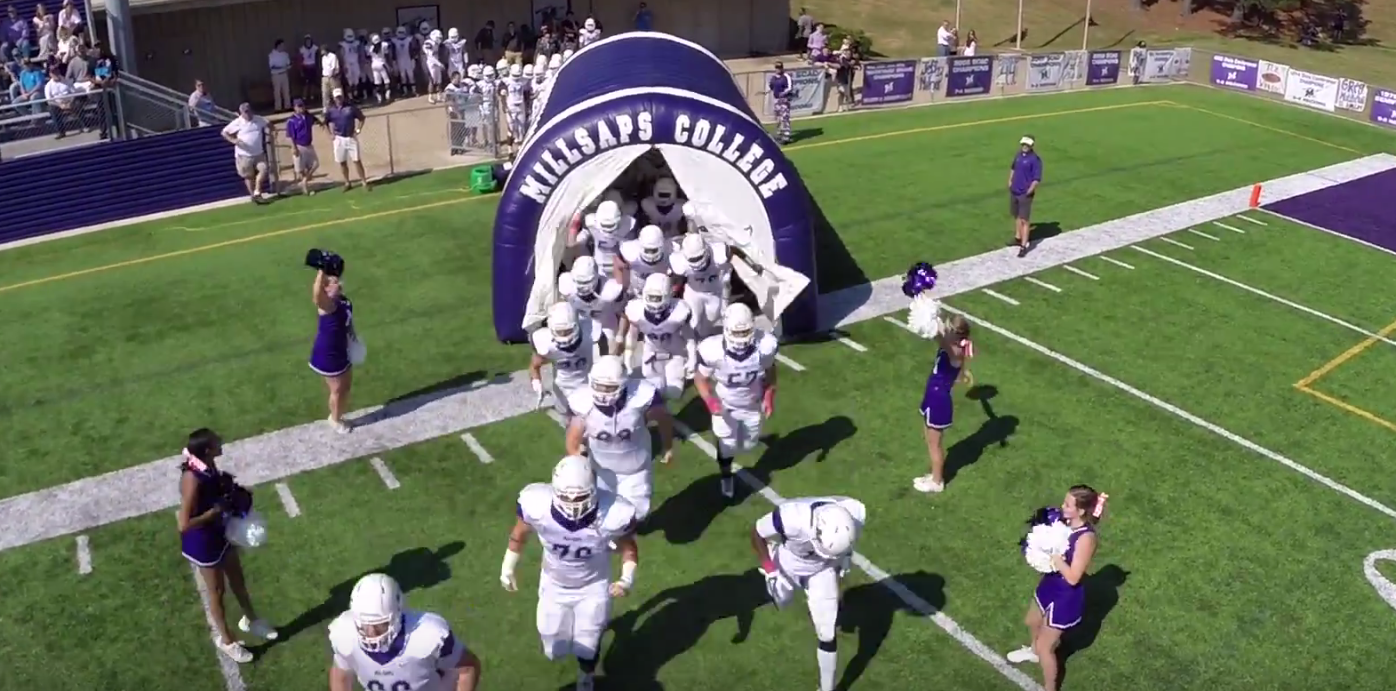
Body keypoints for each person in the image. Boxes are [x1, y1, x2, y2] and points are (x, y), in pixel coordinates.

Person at [500, 456, 640, 691]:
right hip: (554, 583)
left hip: (593, 586)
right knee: (553, 648)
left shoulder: (614, 513)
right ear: (554, 491)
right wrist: (508, 566)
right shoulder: (537, 504)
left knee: (587, 642)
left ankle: (586, 675)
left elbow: (629, 547)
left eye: (580, 497)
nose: (574, 504)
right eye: (566, 496)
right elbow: (519, 534)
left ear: (594, 490)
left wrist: (626, 579)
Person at [176, 428, 278, 664]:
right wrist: (215, 511)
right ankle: (227, 641)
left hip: (221, 533)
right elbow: (184, 524)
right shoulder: (192, 478)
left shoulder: (208, 466)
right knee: (217, 592)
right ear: (207, 449)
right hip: (203, 543)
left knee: (238, 580)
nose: (221, 442)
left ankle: (251, 620)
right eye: (216, 441)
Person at [752, 497, 865, 691]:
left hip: (822, 569)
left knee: (827, 632)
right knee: (781, 600)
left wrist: (842, 565)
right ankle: (773, 555)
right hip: (789, 562)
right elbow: (756, 533)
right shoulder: (792, 518)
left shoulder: (853, 514)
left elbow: (844, 545)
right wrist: (770, 569)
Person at [1005, 486, 1107, 691]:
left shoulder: (1086, 538)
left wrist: (1054, 559)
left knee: (1046, 648)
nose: (1063, 506)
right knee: (1032, 620)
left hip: (1066, 595)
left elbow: (1074, 577)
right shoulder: (1065, 522)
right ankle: (1033, 652)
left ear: (1080, 511)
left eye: (1068, 504)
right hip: (1050, 583)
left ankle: (1050, 687)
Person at [327, 573, 482, 691]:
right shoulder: (344, 633)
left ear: (398, 612)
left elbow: (468, 669)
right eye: (364, 625)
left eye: (380, 625)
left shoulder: (428, 635)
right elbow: (341, 674)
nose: (371, 633)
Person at [566, 355, 674, 521]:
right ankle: (617, 542)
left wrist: (667, 446)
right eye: (599, 386)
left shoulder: (642, 395)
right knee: (606, 514)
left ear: (623, 384)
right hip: (602, 470)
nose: (602, 393)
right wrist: (578, 456)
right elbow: (573, 437)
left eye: (608, 388)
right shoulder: (582, 402)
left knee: (635, 515)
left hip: (635, 468)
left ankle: (623, 539)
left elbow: (663, 419)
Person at [694, 303, 779, 499]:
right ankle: (726, 476)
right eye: (737, 333)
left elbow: (771, 370)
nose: (741, 339)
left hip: (752, 404)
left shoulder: (764, 346)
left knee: (748, 446)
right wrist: (709, 400)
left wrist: (769, 394)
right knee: (727, 445)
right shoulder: (713, 350)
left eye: (745, 333)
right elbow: (700, 378)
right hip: (726, 405)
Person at [914, 313, 973, 493]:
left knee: (934, 444)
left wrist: (930, 323)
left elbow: (938, 335)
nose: (945, 329)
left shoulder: (953, 350)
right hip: (933, 395)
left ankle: (937, 482)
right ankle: (934, 475)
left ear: (955, 334)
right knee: (929, 439)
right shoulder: (954, 346)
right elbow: (939, 326)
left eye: (948, 328)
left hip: (938, 399)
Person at [624, 273, 695, 402]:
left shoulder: (679, 311)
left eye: (657, 298)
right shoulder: (637, 311)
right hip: (652, 353)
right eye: (651, 297)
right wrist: (628, 355)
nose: (654, 302)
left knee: (674, 392)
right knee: (655, 391)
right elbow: (632, 334)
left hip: (675, 353)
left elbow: (689, 336)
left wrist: (692, 357)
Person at [309, 260, 358, 433]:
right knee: (337, 390)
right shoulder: (327, 306)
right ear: (327, 289)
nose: (339, 283)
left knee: (345, 387)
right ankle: (335, 420)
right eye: (334, 283)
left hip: (342, 350)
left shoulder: (343, 301)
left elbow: (347, 322)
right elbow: (316, 295)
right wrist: (321, 270)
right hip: (328, 354)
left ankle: (336, 414)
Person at [529, 302, 595, 423]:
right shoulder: (546, 343)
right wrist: (537, 385)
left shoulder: (590, 334)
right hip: (562, 389)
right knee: (568, 422)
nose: (565, 337)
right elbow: (534, 366)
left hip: (587, 386)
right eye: (560, 332)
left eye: (568, 331)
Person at [558, 255, 628, 358]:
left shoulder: (610, 290)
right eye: (580, 282)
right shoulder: (567, 285)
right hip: (580, 324)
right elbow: (562, 310)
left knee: (612, 359)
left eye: (586, 282)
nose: (583, 287)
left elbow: (624, 314)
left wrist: (620, 337)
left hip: (606, 323)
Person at [670, 233, 731, 339]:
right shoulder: (679, 262)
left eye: (698, 257)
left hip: (714, 293)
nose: (696, 262)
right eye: (692, 259)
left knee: (709, 323)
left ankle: (701, 338)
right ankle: (690, 344)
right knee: (693, 321)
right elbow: (676, 280)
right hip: (694, 293)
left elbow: (728, 275)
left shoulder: (720, 253)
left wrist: (725, 299)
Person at [220, 103, 271, 204]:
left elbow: (269, 124)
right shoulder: (237, 122)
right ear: (241, 113)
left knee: (264, 169)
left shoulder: (258, 119)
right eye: (245, 112)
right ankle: (254, 196)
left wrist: (271, 132)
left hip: (258, 153)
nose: (248, 114)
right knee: (248, 176)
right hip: (244, 155)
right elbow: (224, 132)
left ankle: (257, 192)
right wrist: (233, 140)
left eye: (249, 111)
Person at [325, 87, 370, 191]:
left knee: (356, 160)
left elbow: (362, 118)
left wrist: (358, 130)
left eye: (340, 97)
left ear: (343, 97)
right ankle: (347, 182)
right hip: (338, 138)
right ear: (334, 98)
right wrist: (330, 134)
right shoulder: (331, 110)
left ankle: (364, 181)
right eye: (337, 98)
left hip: (350, 137)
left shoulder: (350, 108)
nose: (339, 99)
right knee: (342, 162)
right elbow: (326, 122)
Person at [1008, 135, 1043, 257]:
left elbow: (1037, 178)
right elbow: (1013, 168)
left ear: (1031, 146)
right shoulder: (1018, 155)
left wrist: (1030, 190)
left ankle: (1024, 245)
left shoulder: (1035, 160)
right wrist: (1010, 180)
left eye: (1027, 145)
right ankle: (1018, 237)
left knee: (1024, 220)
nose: (1024, 146)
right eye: (1023, 144)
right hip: (1015, 190)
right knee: (1017, 215)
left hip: (1024, 193)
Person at [284, 98, 322, 196]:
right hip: (299, 145)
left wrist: (321, 123)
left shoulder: (308, 116)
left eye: (302, 106)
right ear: (295, 108)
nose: (302, 108)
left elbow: (316, 120)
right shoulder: (291, 120)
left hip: (308, 144)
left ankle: (305, 180)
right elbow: (290, 135)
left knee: (315, 163)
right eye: (299, 106)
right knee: (300, 169)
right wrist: (294, 147)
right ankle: (305, 188)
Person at [769, 61, 794, 145]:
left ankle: (787, 136)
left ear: (782, 68)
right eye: (776, 68)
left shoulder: (786, 77)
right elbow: (771, 86)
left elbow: (789, 88)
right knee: (777, 117)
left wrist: (783, 93)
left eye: (779, 68)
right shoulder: (773, 78)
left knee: (785, 117)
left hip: (784, 99)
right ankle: (779, 133)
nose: (778, 69)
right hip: (776, 100)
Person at [267, 39, 292, 111]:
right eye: (282, 45)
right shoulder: (272, 55)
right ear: (278, 46)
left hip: (284, 74)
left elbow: (288, 64)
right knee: (277, 92)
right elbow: (272, 66)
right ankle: (278, 108)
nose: (283, 47)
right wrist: (282, 67)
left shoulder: (285, 54)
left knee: (286, 91)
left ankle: (288, 106)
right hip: (276, 75)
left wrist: (288, 66)